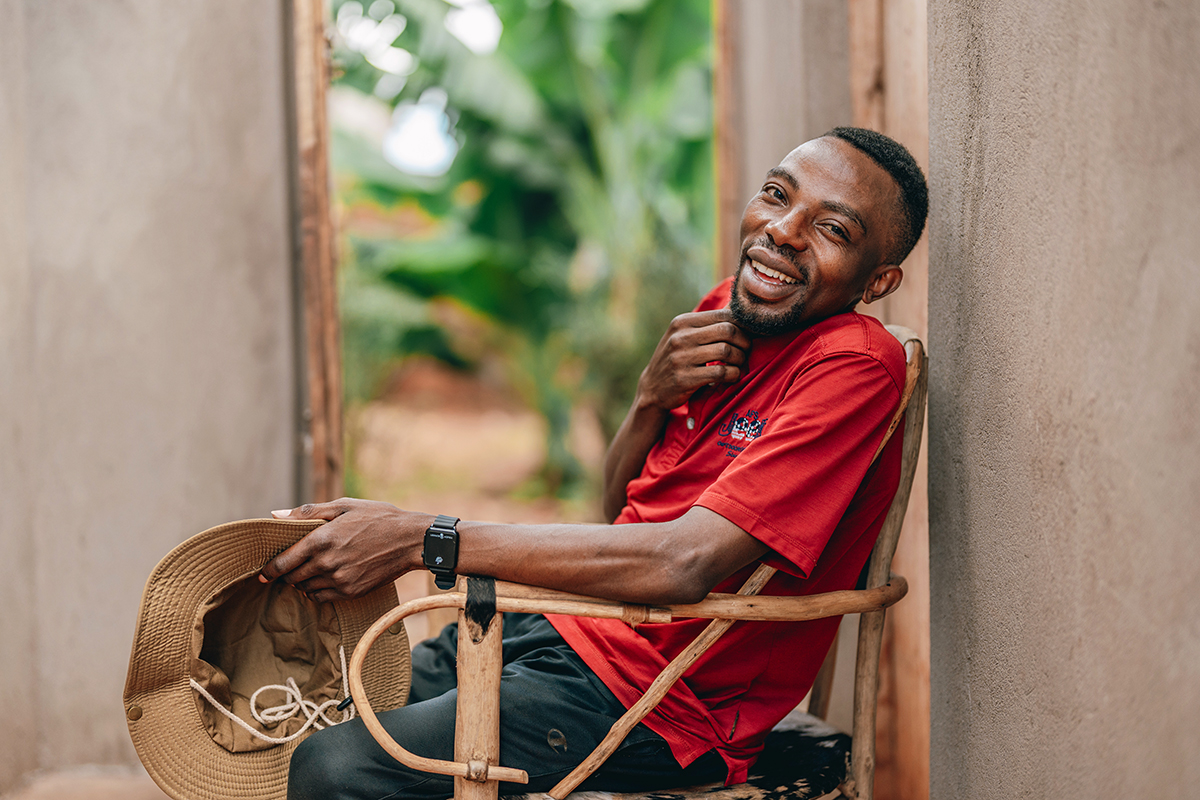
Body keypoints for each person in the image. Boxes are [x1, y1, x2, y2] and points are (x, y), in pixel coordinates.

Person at [266, 126, 928, 800]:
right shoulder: (726, 314)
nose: (783, 231)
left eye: (833, 230)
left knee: (335, 770)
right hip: (557, 626)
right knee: (321, 701)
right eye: (776, 195)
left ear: (879, 280)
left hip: (659, 703)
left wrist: (422, 538)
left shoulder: (854, 366)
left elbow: (682, 562)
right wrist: (649, 397)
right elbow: (623, 511)